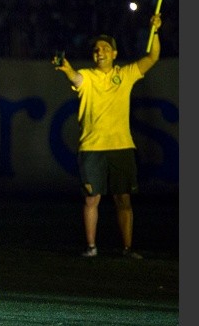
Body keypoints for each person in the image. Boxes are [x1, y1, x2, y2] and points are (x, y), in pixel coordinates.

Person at [53, 14, 162, 259]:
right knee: (92, 199)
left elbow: (152, 57)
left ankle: (127, 248)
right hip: (92, 147)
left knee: (123, 199)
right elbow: (75, 77)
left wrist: (154, 31)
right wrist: (67, 68)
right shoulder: (88, 77)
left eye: (104, 48)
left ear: (114, 53)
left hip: (121, 146)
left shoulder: (125, 74)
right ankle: (91, 247)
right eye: (96, 49)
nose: (99, 51)